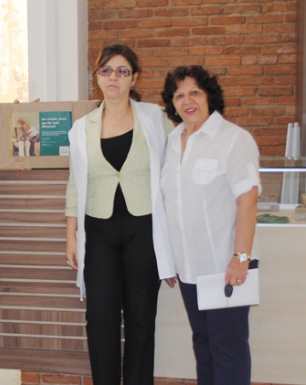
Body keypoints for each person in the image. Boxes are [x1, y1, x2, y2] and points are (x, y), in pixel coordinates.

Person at [65, 44, 176, 385]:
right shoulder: (81, 128)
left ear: (134, 78)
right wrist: (70, 235)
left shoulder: (154, 118)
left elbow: (175, 163)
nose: (114, 77)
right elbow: (75, 183)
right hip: (98, 231)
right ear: (97, 77)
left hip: (144, 227)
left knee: (141, 316)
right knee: (101, 317)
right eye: (107, 70)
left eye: (122, 71)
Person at [160, 65, 260, 385]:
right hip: (189, 269)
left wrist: (240, 258)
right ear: (172, 103)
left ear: (209, 97)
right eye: (179, 95)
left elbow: (248, 200)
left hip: (223, 267)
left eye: (195, 92)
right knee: (203, 346)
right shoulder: (171, 142)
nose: (187, 101)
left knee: (227, 350)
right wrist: (169, 261)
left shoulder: (233, 139)